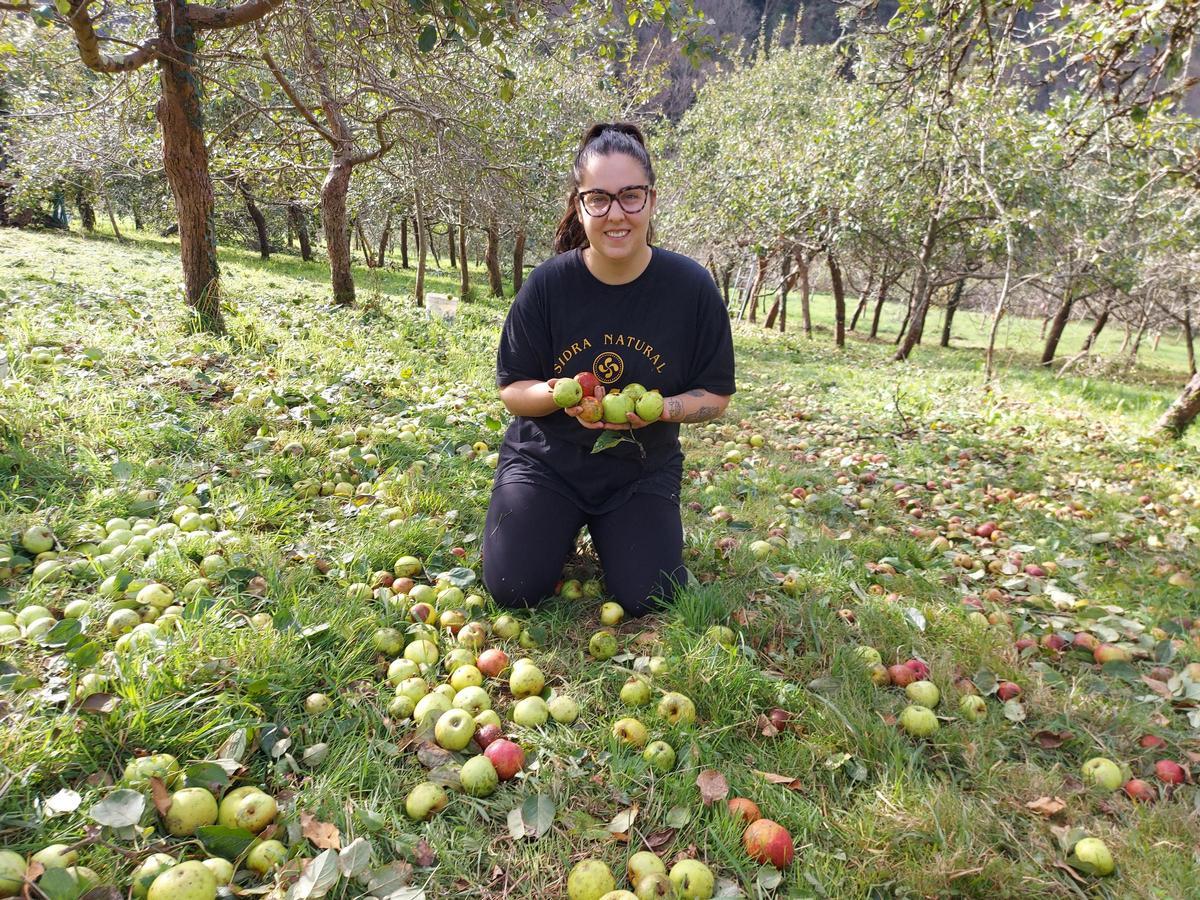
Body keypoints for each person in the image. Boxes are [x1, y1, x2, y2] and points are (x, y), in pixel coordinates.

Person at [481, 122, 736, 618]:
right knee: (512, 587)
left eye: (630, 196)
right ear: (580, 205)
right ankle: (551, 523)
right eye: (598, 198)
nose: (615, 213)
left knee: (650, 597)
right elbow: (513, 390)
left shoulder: (691, 289)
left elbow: (716, 398)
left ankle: (616, 532)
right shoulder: (549, 286)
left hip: (639, 470)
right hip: (546, 462)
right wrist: (558, 395)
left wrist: (665, 409)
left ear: (652, 200)